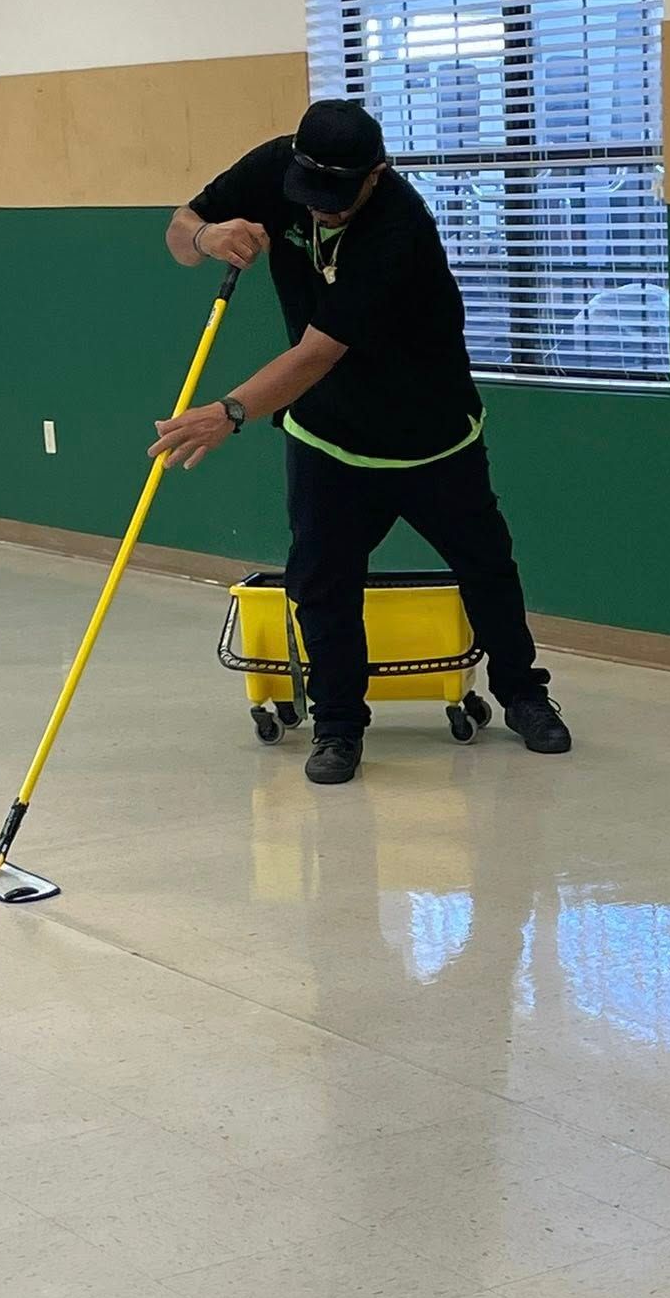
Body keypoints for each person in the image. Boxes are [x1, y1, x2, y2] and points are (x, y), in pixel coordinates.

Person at [155, 99, 571, 784]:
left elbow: (318, 353)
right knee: (321, 581)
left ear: (377, 174)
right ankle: (340, 725)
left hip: (430, 435)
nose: (323, 211)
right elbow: (179, 228)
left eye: (340, 199)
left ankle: (524, 693)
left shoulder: (399, 228)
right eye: (312, 197)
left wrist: (227, 413)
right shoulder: (273, 169)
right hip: (330, 439)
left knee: (486, 566)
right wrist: (207, 239)